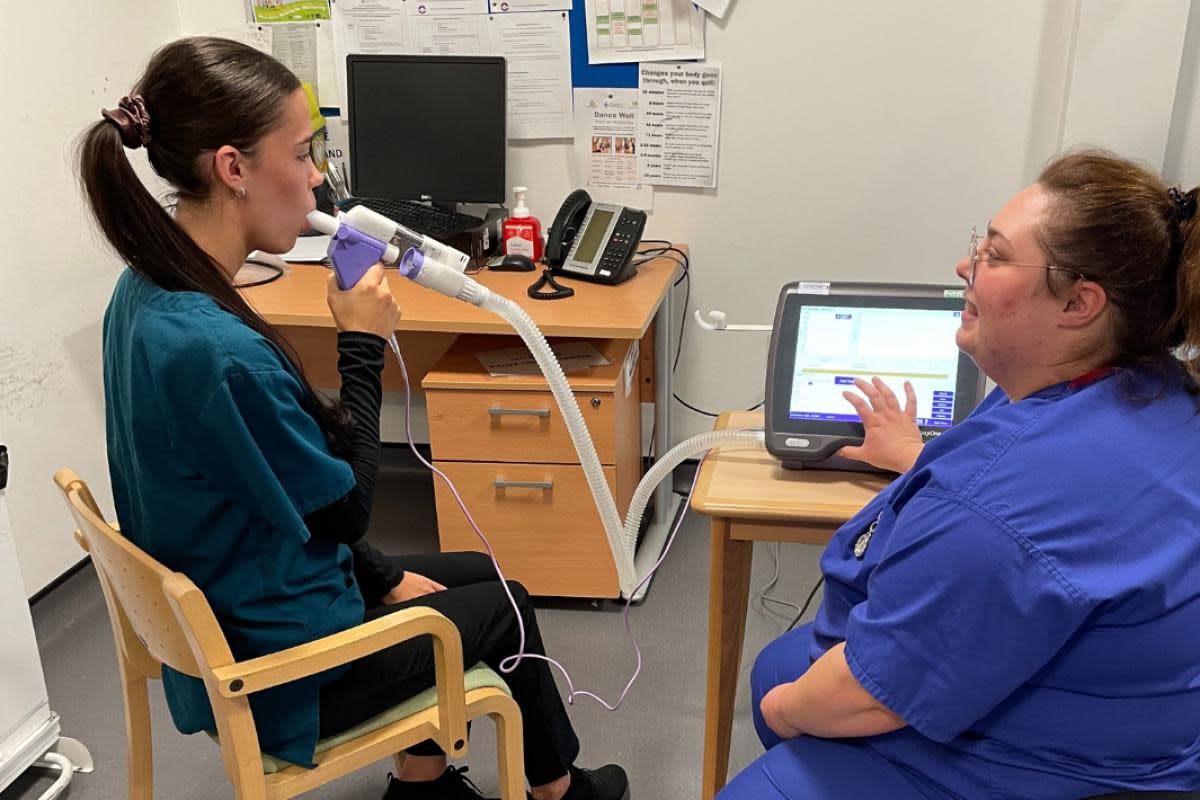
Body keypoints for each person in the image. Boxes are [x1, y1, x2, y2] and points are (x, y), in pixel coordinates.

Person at [79, 36, 629, 800]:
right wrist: (363, 346)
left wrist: (381, 572)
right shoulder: (217, 351)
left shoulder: (146, 292)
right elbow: (344, 509)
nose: (316, 181)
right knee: (506, 606)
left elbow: (282, 488)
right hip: (284, 667)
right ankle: (560, 796)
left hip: (237, 602)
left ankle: (424, 785)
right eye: (302, 154)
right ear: (232, 168)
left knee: (472, 573)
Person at [719, 150, 1200, 799]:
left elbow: (869, 696)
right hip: (1144, 722)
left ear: (1080, 302)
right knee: (781, 664)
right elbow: (1058, 522)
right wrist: (918, 458)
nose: (964, 266)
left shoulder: (998, 503)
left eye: (996, 256)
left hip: (1066, 773)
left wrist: (784, 713)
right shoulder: (1150, 389)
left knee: (783, 698)